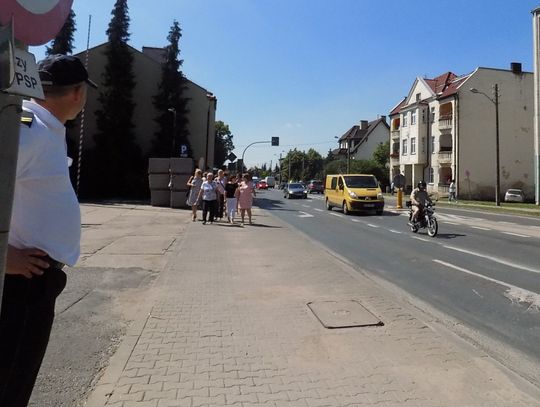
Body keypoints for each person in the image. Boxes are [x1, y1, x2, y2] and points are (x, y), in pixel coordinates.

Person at [0, 54, 97, 407]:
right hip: (20, 284)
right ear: (77, 92)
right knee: (9, 384)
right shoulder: (31, 129)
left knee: (16, 381)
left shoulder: (42, 126)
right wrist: (2, 257)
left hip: (33, 281)